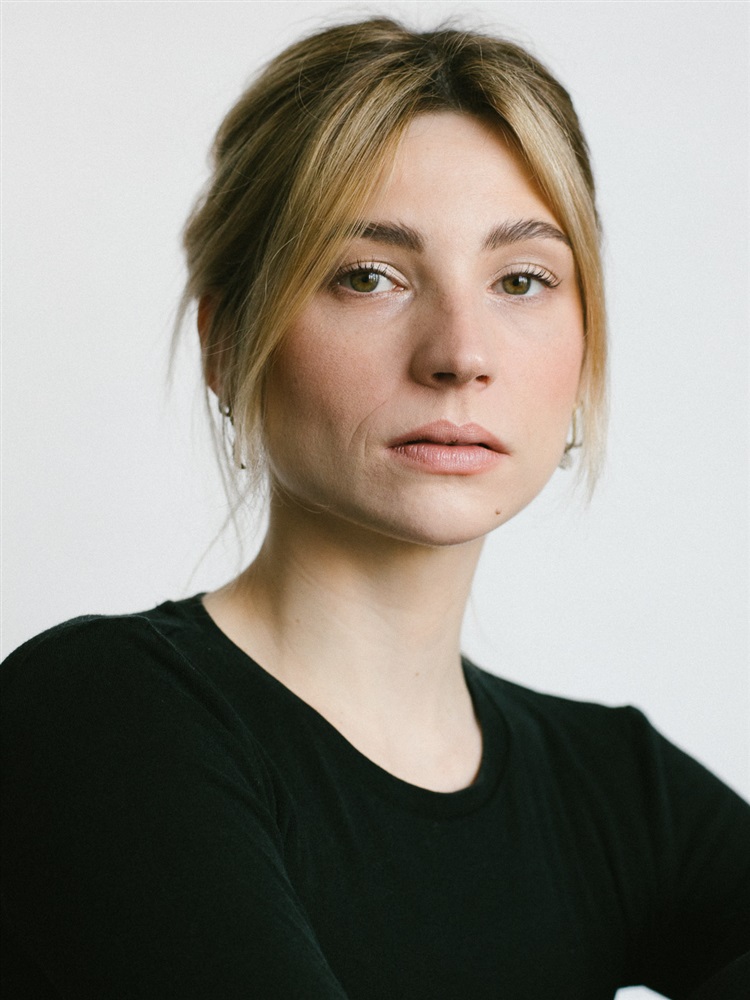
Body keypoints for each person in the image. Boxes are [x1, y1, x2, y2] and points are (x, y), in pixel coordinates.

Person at [1, 16, 748, 1000]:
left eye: (522, 280)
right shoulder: (96, 716)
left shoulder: (616, 788)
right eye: (370, 276)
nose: (459, 353)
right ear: (229, 343)